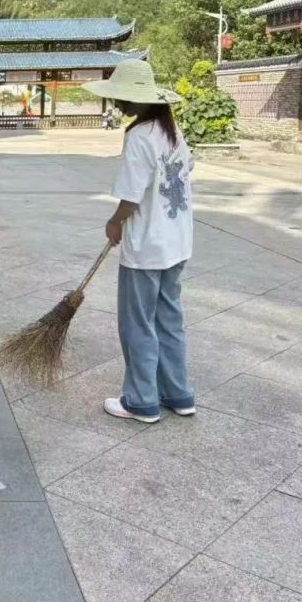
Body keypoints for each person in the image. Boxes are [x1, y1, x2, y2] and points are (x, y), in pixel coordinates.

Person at [83, 60, 195, 424]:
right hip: (177, 242)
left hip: (147, 247)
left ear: (140, 100)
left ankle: (141, 400)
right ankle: (178, 394)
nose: (118, 104)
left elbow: (131, 196)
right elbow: (185, 171)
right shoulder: (172, 132)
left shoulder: (139, 136)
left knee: (137, 323)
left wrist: (115, 222)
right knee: (169, 320)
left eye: (122, 98)